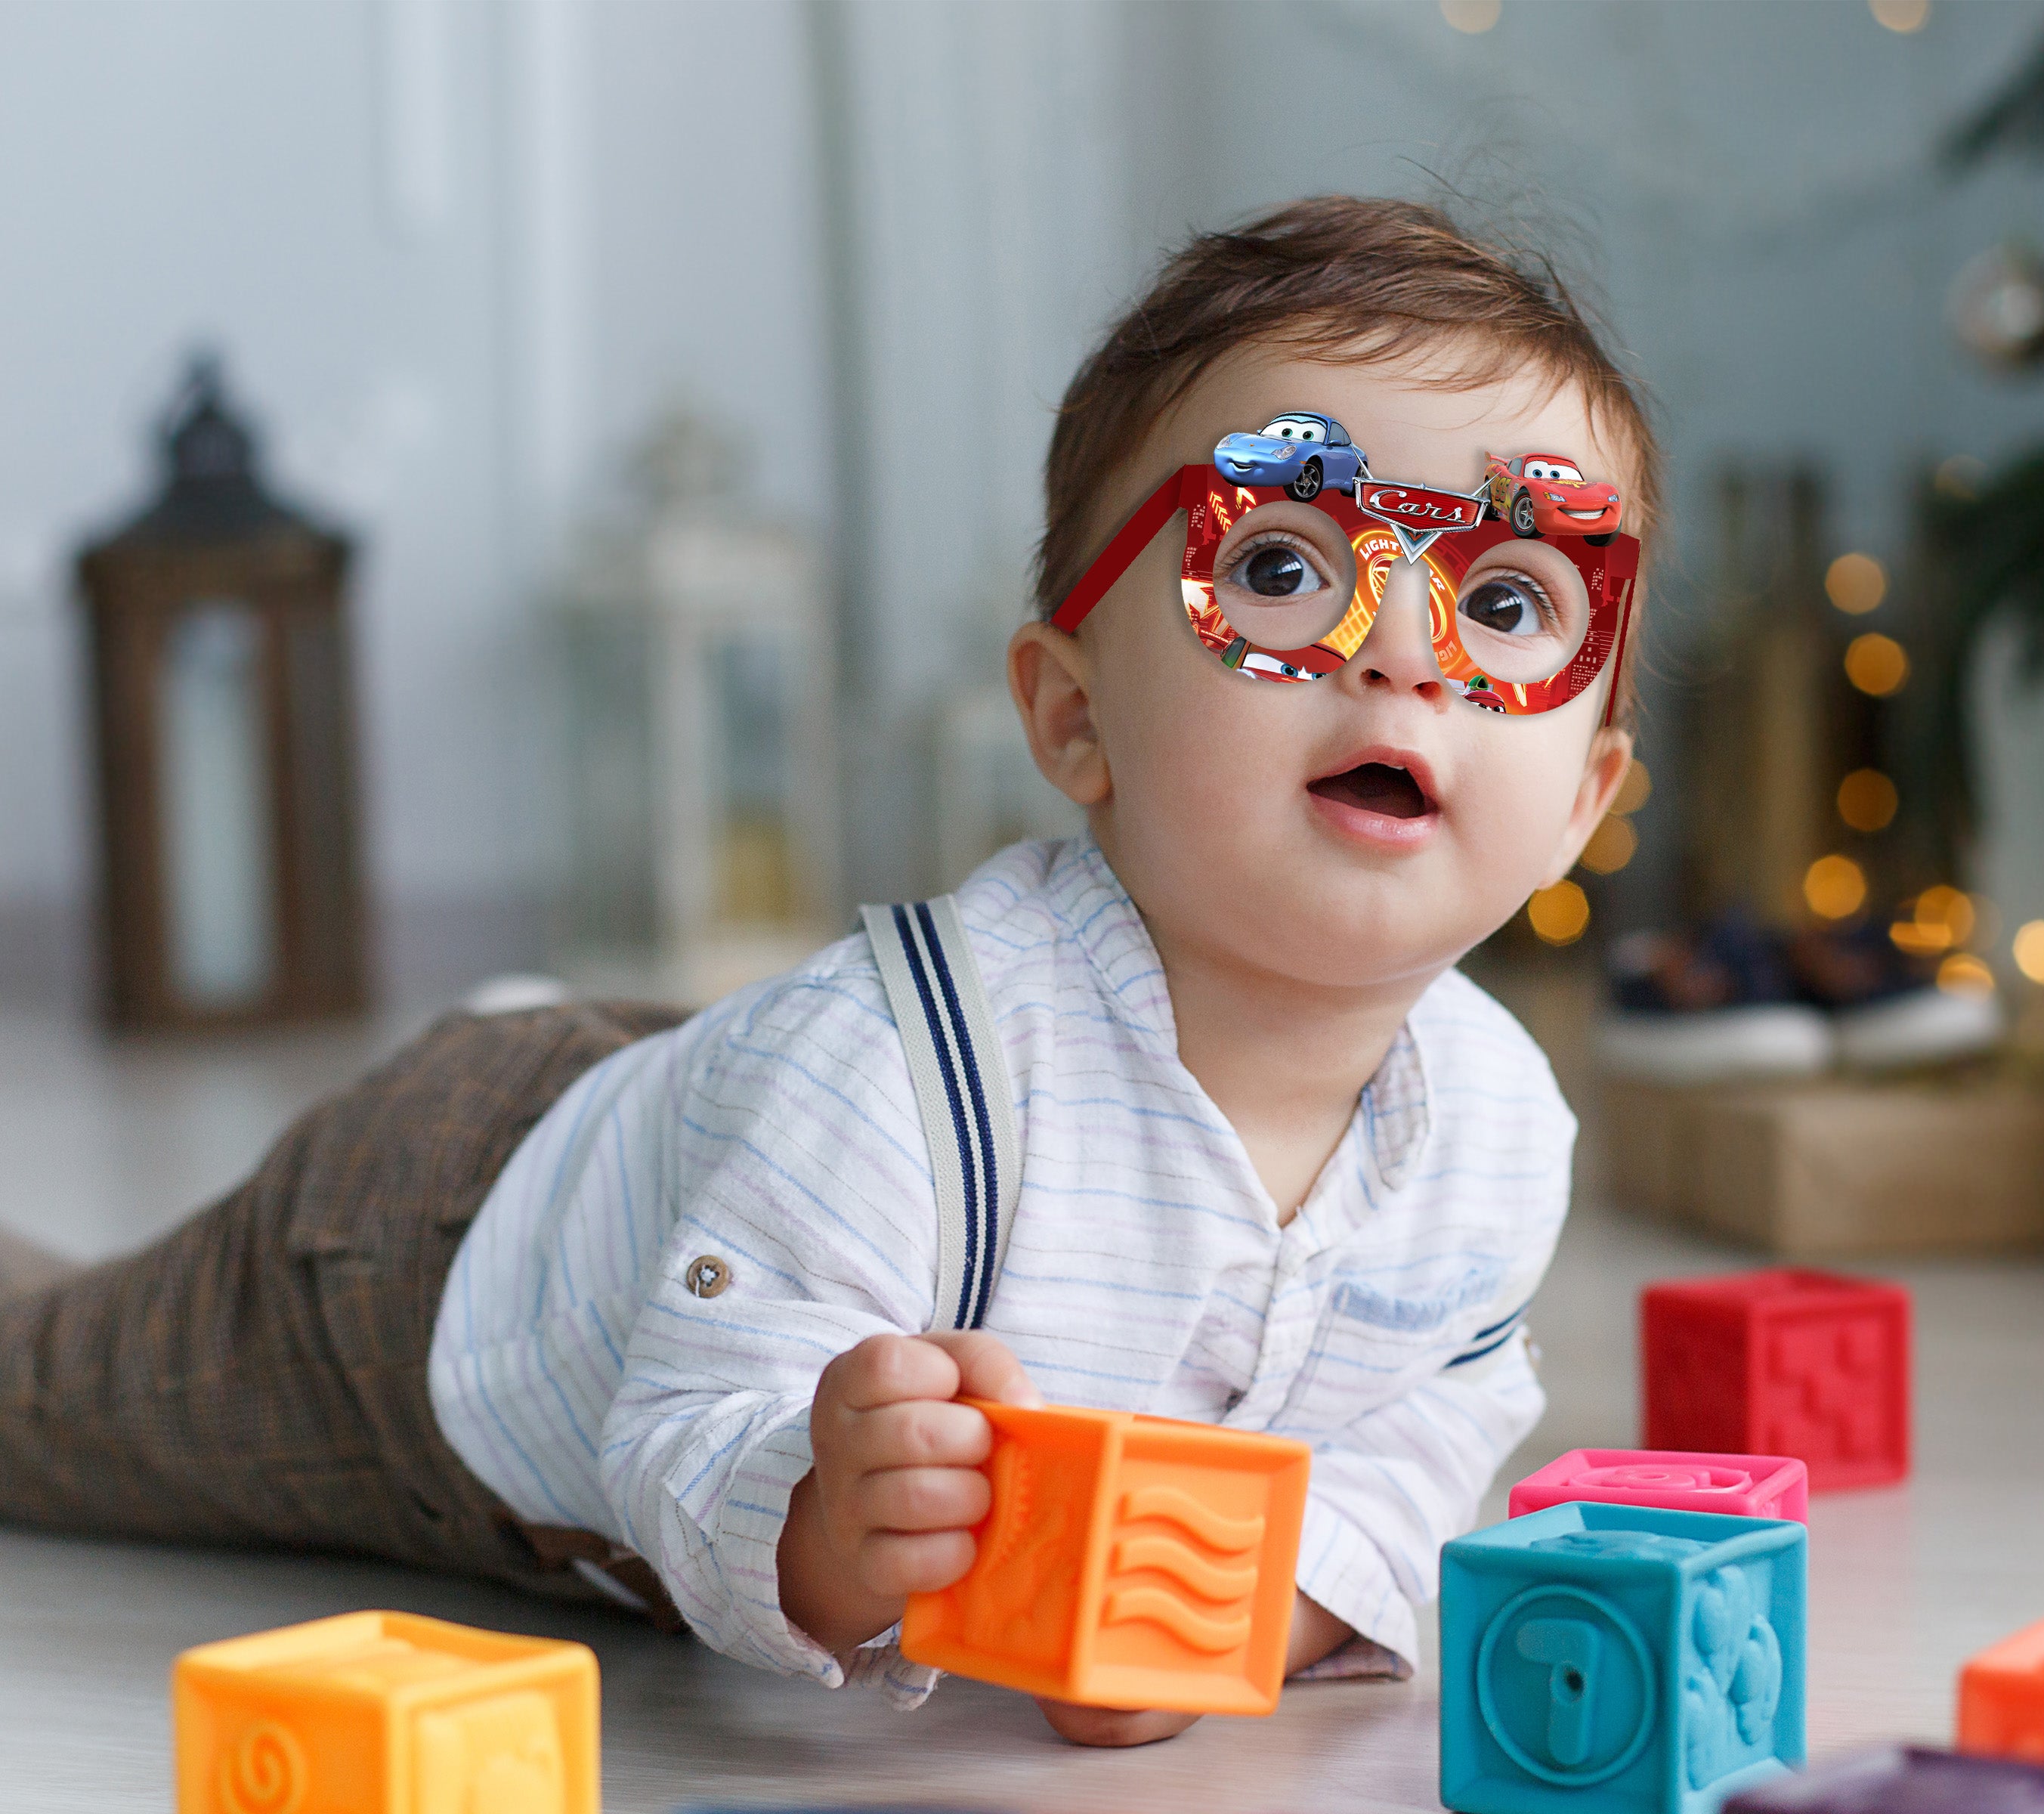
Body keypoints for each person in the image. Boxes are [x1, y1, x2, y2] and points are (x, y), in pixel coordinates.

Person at [0, 194, 1655, 1749]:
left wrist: (1257, 1613)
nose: (1402, 647)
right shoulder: (916, 1067)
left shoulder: (1498, 1130)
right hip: (426, 1272)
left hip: (724, 1135)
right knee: (50, 1391)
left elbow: (1429, 1422)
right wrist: (816, 1519)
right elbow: (687, 1416)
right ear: (1075, 717)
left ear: (1584, 799)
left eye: (1510, 598)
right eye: (1284, 569)